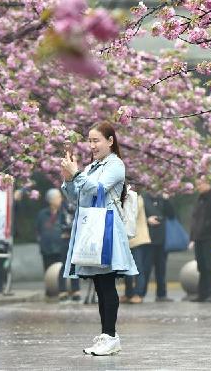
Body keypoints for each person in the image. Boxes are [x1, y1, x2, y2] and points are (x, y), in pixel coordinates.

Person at [60, 121, 138, 356]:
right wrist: (68, 179)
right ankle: (106, 335)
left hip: (107, 229)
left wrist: (77, 175)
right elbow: (78, 197)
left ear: (110, 141)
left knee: (106, 284)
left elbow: (98, 190)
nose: (91, 145)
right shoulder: (93, 166)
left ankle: (111, 336)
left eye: (96, 140)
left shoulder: (116, 165)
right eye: (90, 140)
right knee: (99, 284)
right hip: (92, 228)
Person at [36, 188, 79, 301]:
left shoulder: (65, 211)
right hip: (47, 248)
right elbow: (38, 230)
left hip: (62, 245)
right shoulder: (42, 214)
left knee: (67, 266)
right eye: (58, 197)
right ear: (51, 200)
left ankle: (71, 291)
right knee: (49, 271)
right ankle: (50, 292)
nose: (60, 199)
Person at [189, 177, 211, 302]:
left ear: (208, 184)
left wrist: (207, 225)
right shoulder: (199, 199)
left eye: (200, 184)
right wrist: (193, 236)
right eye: (196, 184)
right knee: (201, 266)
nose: (198, 186)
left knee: (210, 265)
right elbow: (195, 218)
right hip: (198, 237)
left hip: (209, 237)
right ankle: (202, 293)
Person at [135, 192, 175, 303]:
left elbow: (171, 215)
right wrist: (147, 220)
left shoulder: (163, 199)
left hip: (161, 240)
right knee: (145, 268)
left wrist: (167, 200)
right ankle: (140, 293)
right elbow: (137, 216)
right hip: (147, 239)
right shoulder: (143, 199)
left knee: (161, 269)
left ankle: (161, 294)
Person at [121, 194, 151, 304]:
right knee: (126, 269)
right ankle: (129, 293)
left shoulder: (137, 199)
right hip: (127, 241)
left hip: (138, 239)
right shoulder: (126, 199)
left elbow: (130, 216)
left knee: (138, 268)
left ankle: (139, 294)